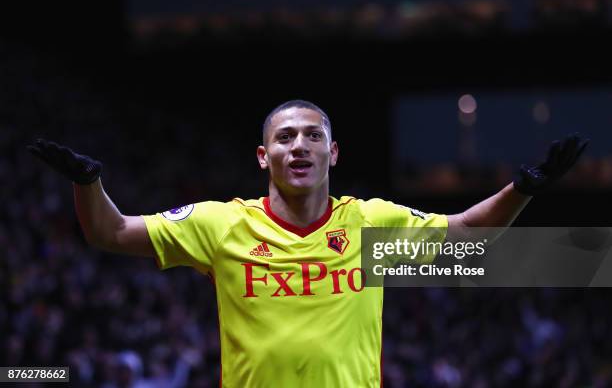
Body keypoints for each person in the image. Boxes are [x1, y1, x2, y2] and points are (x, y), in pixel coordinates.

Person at [28, 99, 588, 387]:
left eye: (313, 136)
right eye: (285, 137)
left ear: (333, 153)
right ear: (263, 155)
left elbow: (469, 234)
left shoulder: (371, 225)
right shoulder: (222, 225)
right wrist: (88, 184)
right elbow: (109, 231)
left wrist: (524, 188)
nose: (299, 146)